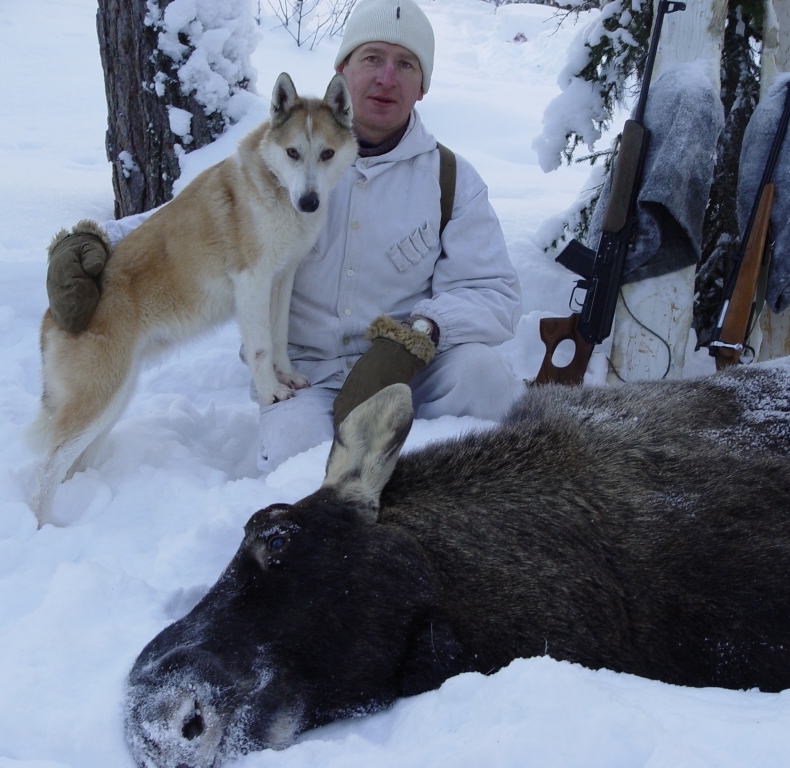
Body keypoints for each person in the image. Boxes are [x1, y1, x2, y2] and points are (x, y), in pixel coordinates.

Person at [46, 0, 523, 471]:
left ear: (423, 87)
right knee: (301, 463)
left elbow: (495, 293)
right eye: (372, 59)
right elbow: (194, 216)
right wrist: (92, 240)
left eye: (405, 64)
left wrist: (417, 337)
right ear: (343, 70)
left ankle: (449, 489)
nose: (386, 77)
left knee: (485, 376)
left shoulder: (451, 179)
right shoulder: (282, 154)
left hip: (411, 371)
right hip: (306, 375)